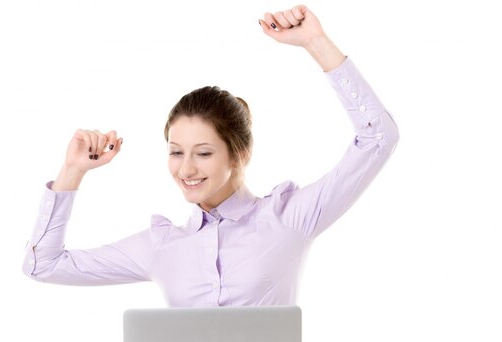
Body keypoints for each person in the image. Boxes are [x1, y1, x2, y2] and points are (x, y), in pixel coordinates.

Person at [22, 5, 399, 307]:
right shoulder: (161, 246)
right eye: (175, 152)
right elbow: (43, 266)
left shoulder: (290, 218)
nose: (186, 168)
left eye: (203, 153)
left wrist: (316, 42)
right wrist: (72, 171)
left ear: (240, 153)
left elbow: (379, 138)